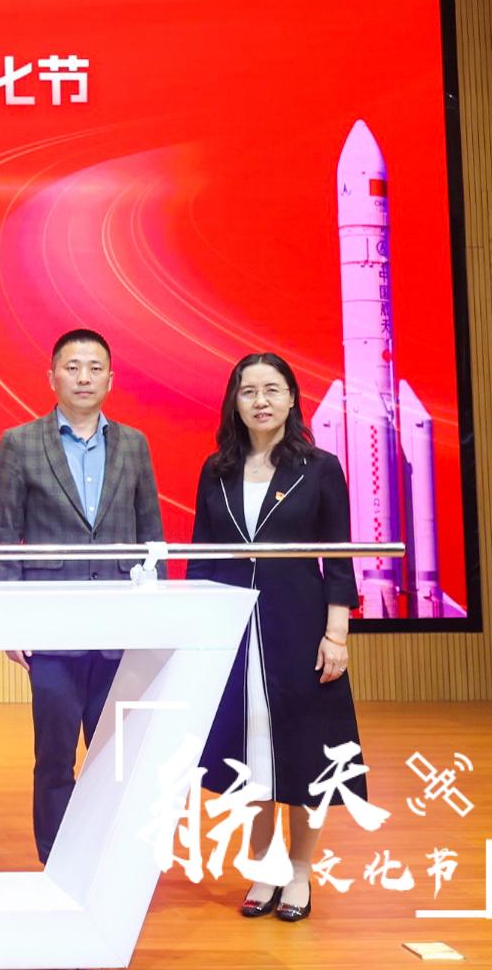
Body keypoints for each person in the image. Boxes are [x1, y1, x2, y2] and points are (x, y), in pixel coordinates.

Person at [187, 352, 365, 923]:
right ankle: (263, 868)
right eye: (248, 391)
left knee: (308, 752)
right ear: (234, 403)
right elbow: (200, 559)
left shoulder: (319, 467)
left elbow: (339, 558)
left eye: (272, 389)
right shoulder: (216, 469)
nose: (260, 401)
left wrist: (336, 633)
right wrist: (197, 635)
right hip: (234, 631)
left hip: (300, 627)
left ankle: (301, 872)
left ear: (291, 398)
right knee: (252, 754)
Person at [0, 327, 163, 865]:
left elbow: (150, 537)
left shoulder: (133, 444)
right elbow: (3, 537)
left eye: (94, 368)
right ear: (52, 377)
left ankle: (112, 861)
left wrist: (154, 620)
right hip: (52, 629)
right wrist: (12, 623)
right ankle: (58, 863)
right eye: (72, 367)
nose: (83, 377)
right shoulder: (19, 443)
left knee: (117, 757)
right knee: (54, 757)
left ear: (110, 378)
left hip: (120, 630)